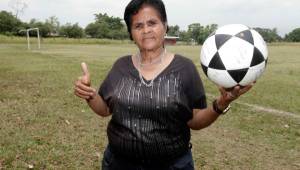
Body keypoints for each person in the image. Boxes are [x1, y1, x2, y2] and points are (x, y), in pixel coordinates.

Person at [74, 0, 253, 169]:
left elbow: (195, 121)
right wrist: (90, 94)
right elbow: (105, 110)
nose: (146, 30)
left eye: (152, 23)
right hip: (119, 164)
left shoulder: (185, 68)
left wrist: (221, 103)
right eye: (138, 25)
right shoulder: (121, 66)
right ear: (131, 33)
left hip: (172, 165)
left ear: (165, 26)